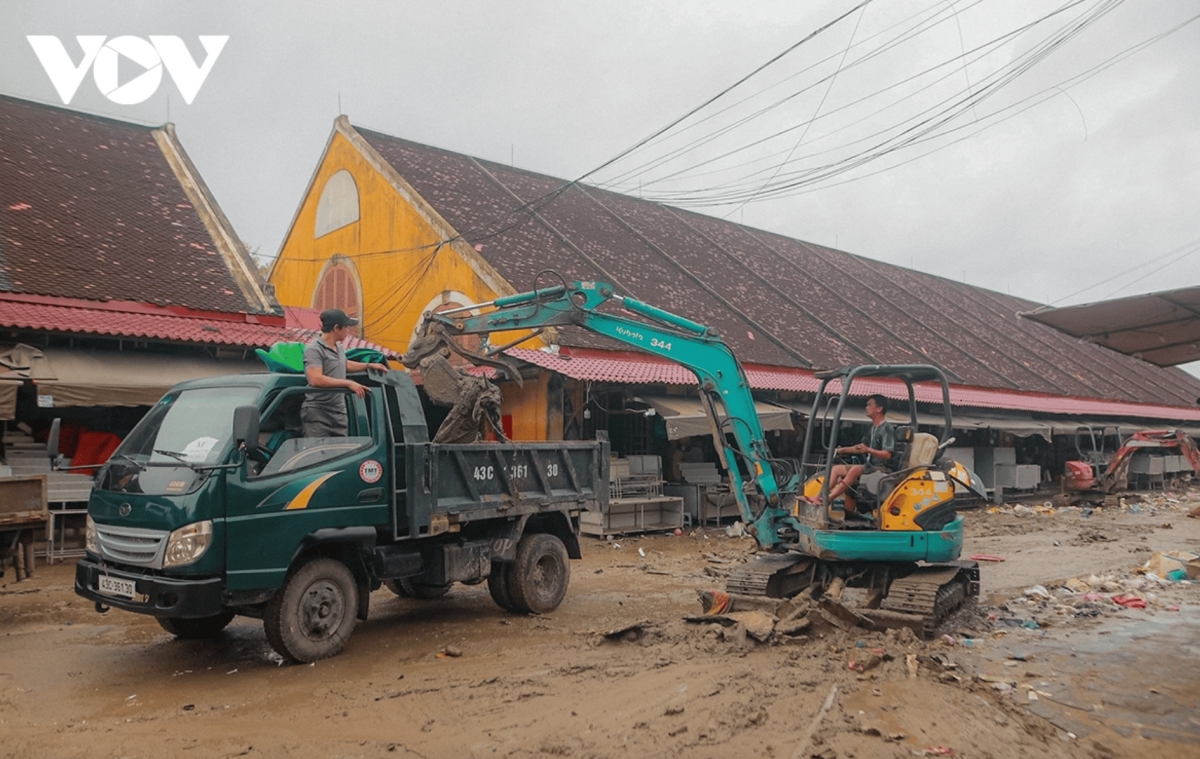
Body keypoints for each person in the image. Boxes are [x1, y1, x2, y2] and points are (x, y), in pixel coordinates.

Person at [301, 309, 388, 438]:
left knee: (341, 454)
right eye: (346, 327)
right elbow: (315, 379)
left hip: (339, 413)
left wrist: (370, 365)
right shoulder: (314, 350)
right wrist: (348, 383)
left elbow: (344, 364)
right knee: (317, 454)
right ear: (336, 328)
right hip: (318, 412)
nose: (348, 331)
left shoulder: (339, 348)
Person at [819, 394, 896, 519]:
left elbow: (887, 454)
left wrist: (869, 450)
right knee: (836, 469)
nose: (866, 407)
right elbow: (860, 447)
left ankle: (829, 499)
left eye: (869, 404)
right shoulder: (872, 428)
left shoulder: (887, 429)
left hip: (882, 467)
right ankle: (819, 497)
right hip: (870, 466)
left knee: (855, 469)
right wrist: (841, 450)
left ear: (879, 409)